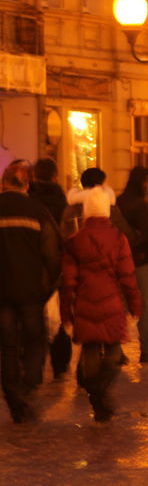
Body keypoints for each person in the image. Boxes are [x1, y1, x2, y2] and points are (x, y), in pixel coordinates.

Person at [60, 187, 141, 422]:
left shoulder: (75, 241)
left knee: (90, 351)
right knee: (114, 354)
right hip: (111, 303)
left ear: (86, 213)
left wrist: (67, 314)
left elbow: (68, 283)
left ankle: (96, 397)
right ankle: (98, 390)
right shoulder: (118, 238)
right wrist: (135, 307)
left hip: (85, 304)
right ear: (106, 212)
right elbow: (128, 277)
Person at [0, 160, 62, 423]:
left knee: (7, 346)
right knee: (36, 339)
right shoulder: (38, 211)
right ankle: (30, 381)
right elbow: (52, 253)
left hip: (1, 291)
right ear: (26, 185)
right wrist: (48, 287)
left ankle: (13, 395)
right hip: (30, 291)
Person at [28, 158, 71, 378]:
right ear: (55, 176)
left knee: (34, 316)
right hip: (57, 264)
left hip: (32, 265)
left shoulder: (30, 199)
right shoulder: (61, 200)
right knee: (59, 317)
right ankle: (60, 366)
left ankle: (35, 364)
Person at [116, 166, 148, 363]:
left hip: (120, 260)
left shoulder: (119, 202)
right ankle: (147, 347)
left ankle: (115, 348)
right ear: (141, 182)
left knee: (121, 305)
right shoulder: (142, 205)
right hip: (141, 260)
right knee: (144, 304)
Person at [61, 168, 133, 241]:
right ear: (98, 186)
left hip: (77, 250)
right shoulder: (109, 208)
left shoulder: (70, 209)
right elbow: (124, 233)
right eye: (105, 182)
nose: (107, 185)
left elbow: (64, 234)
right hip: (105, 250)